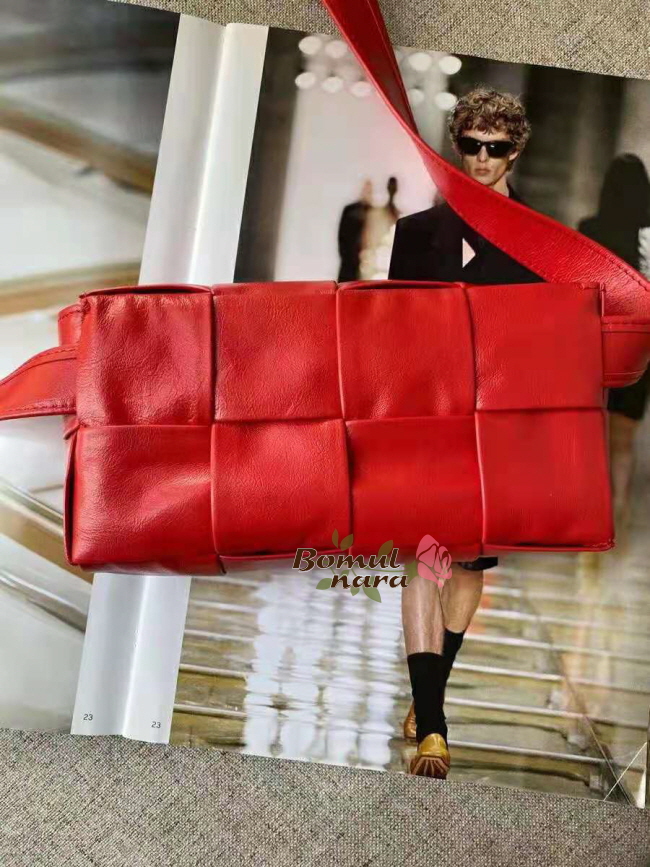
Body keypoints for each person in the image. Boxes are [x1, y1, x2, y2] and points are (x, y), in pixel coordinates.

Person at [388, 87, 538, 778]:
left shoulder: (539, 240)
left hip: (496, 424)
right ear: (457, 146)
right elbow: (389, 330)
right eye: (471, 145)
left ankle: (430, 691)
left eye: (495, 147)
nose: (481, 158)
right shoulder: (416, 233)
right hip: (428, 418)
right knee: (425, 560)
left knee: (469, 567)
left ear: (515, 151)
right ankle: (434, 727)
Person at [579, 155, 650, 522]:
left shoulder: (589, 229)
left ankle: (591, 510)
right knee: (623, 440)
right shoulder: (649, 239)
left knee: (593, 434)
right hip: (638, 350)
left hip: (596, 347)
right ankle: (619, 508)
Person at [337, 179, 373, 281]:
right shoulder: (351, 210)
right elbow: (342, 235)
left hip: (365, 261)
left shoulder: (372, 212)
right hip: (349, 259)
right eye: (366, 189)